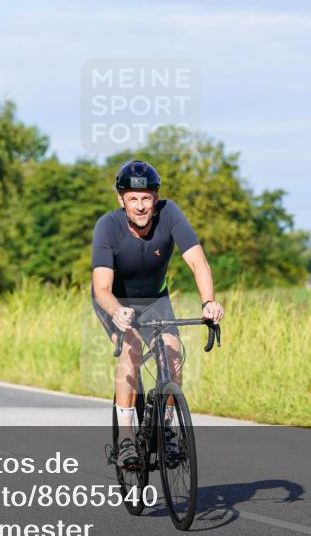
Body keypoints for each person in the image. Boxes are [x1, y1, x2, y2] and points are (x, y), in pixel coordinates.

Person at [91, 160, 225, 469]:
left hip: (155, 300)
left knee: (173, 353)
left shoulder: (170, 214)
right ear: (121, 200)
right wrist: (117, 313)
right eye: (133, 199)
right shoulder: (107, 227)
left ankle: (165, 426)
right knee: (132, 350)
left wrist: (208, 303)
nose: (140, 206)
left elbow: (198, 262)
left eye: (146, 198)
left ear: (156, 198)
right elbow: (101, 288)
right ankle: (126, 439)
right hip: (114, 299)